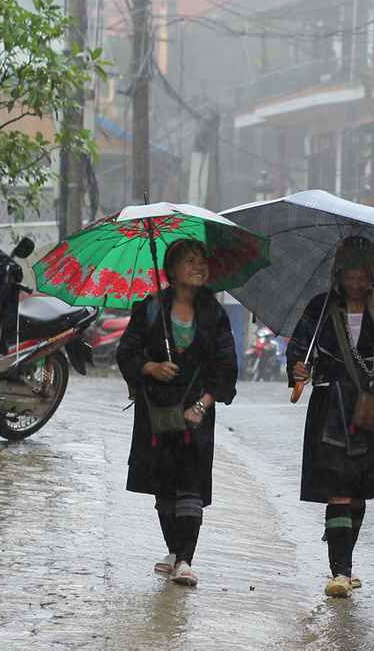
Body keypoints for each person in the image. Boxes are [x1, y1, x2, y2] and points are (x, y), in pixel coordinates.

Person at [289, 235, 374, 599]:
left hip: (370, 408)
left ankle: (346, 564)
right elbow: (299, 345)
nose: (355, 284)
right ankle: (339, 571)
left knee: (358, 492)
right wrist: (297, 367)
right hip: (330, 408)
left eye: (363, 277)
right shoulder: (321, 306)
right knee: (338, 491)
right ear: (338, 275)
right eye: (349, 276)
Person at [116, 240, 238, 589]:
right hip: (156, 411)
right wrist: (151, 367)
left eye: (202, 261)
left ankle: (185, 559)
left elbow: (226, 367)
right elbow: (126, 353)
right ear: (171, 270)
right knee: (164, 487)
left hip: (197, 411)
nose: (199, 267)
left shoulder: (214, 314)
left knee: (191, 484)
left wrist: (203, 404)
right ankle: (174, 551)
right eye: (190, 261)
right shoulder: (150, 309)